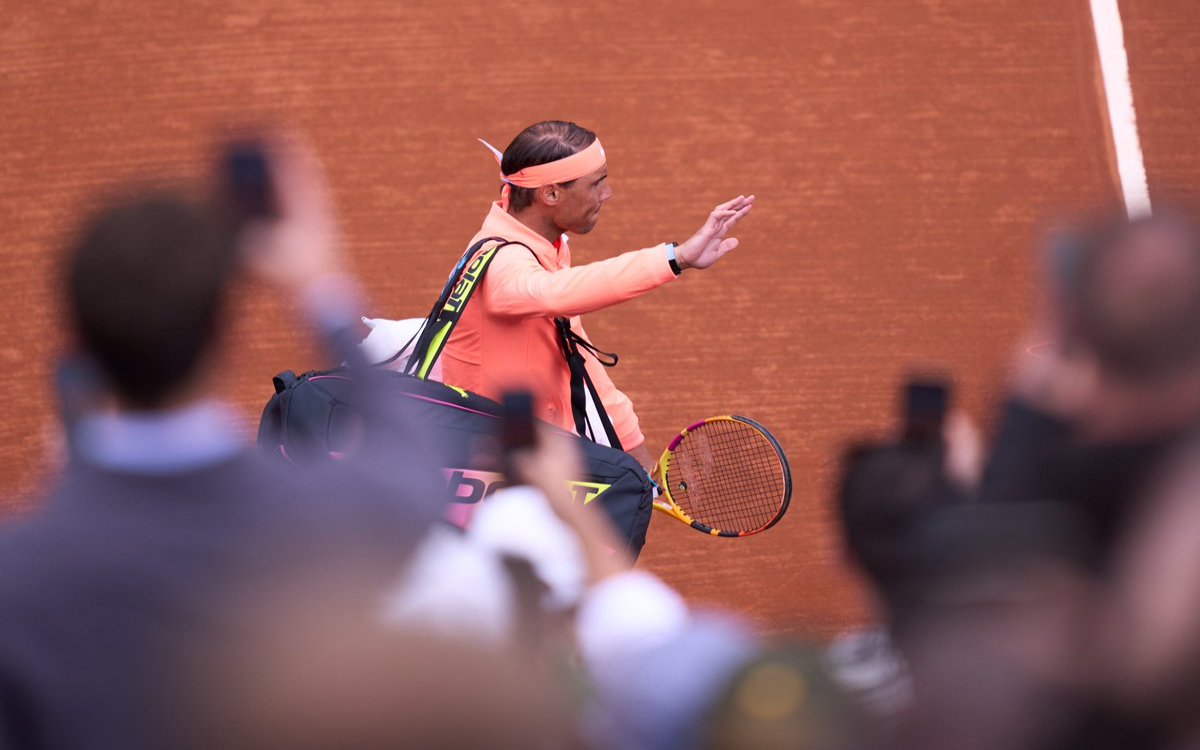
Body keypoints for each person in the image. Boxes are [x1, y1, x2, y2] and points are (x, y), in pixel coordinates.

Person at [0, 140, 444, 749]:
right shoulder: (331, 517)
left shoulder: (18, 571)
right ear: (224, 329)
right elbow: (413, 459)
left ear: (80, 344)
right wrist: (323, 291)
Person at [440, 120, 754, 468]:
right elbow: (554, 293)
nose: (607, 194)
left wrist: (638, 462)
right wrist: (675, 258)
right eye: (597, 183)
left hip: (537, 455)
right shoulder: (505, 263)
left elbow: (580, 360)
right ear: (551, 194)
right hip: (492, 471)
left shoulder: (542, 247)